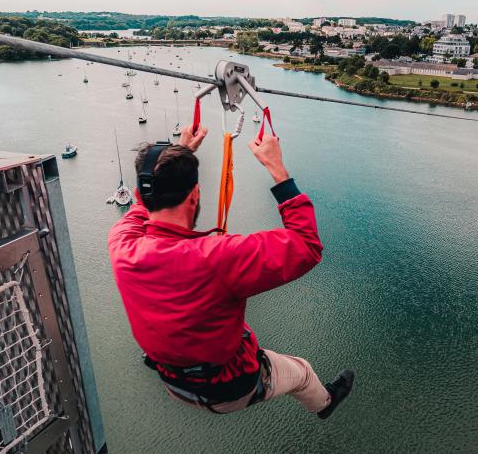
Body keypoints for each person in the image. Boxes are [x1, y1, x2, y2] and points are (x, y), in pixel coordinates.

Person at [108, 122, 354, 419]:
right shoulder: (218, 258)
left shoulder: (122, 244)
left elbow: (140, 208)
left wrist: (181, 152)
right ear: (195, 195)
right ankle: (325, 403)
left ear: (140, 192)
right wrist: (276, 167)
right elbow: (307, 245)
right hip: (230, 388)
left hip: (175, 382)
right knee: (301, 372)